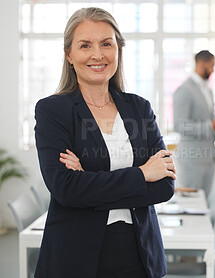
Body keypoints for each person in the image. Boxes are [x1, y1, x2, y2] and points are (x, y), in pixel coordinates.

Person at [34, 7, 175, 278]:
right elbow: (65, 189)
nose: (97, 55)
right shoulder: (53, 111)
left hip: (140, 253)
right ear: (69, 55)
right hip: (76, 256)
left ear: (118, 50)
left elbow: (165, 186)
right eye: (85, 45)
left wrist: (88, 181)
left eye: (106, 44)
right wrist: (142, 174)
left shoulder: (139, 108)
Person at [173, 50, 215, 195]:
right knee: (192, 204)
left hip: (209, 158)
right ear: (201, 64)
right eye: (211, 66)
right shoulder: (184, 90)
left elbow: (208, 122)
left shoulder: (208, 90)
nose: (213, 70)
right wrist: (211, 125)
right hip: (192, 160)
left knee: (204, 205)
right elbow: (180, 125)